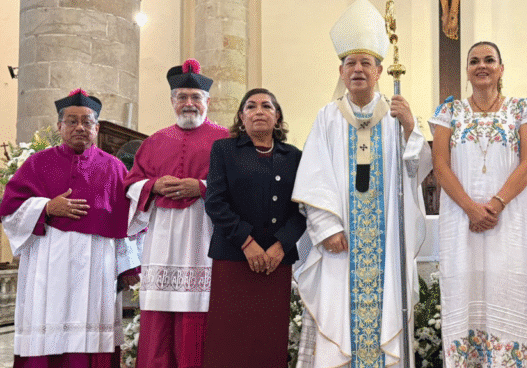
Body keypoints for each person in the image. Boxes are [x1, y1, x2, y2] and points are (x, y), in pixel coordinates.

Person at [292, 0, 432, 368]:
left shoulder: (396, 114)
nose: (357, 69)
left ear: (380, 71)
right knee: (341, 319)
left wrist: (410, 130)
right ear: (341, 72)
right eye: (350, 63)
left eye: (365, 63)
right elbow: (314, 176)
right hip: (341, 244)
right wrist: (326, 227)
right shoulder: (327, 117)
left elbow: (417, 170)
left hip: (385, 241)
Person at [0, 89, 140, 367]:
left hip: (96, 268)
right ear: (59, 127)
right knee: (45, 322)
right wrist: (47, 208)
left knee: (92, 330)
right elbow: (9, 208)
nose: (80, 127)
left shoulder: (114, 168)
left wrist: (129, 267)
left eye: (87, 122)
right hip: (47, 262)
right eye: (72, 121)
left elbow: (131, 221)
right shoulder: (37, 163)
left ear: (96, 128)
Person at [429, 41, 527, 367]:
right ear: (467, 70)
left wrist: (496, 203)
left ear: (501, 68)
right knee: (463, 291)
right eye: (475, 61)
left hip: (508, 221)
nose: (482, 66)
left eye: (489, 60)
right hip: (461, 220)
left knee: (506, 289)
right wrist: (470, 208)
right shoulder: (448, 112)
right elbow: (440, 165)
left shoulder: (523, 109)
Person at [123, 59, 229, 368]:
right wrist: (153, 185)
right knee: (159, 318)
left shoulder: (226, 140)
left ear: (207, 102)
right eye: (182, 97)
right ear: (172, 102)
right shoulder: (155, 141)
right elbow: (131, 183)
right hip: (163, 238)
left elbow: (240, 184)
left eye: (196, 98)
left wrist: (202, 187)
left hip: (205, 235)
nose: (189, 103)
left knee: (198, 315)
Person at [202, 88, 305, 367]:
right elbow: (215, 202)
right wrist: (247, 243)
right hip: (234, 257)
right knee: (228, 336)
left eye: (266, 106)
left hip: (276, 262)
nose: (259, 111)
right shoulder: (224, 150)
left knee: (268, 337)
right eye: (251, 106)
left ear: (277, 115)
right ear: (241, 117)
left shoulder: (294, 156)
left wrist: (280, 245)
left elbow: (302, 210)